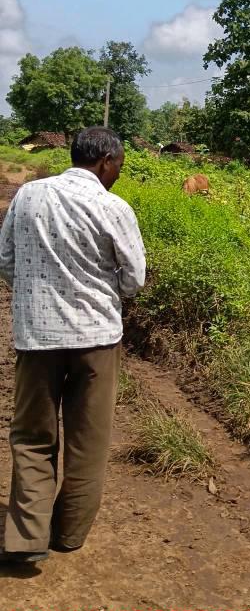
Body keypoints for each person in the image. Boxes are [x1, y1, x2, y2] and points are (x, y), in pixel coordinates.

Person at [0, 126, 146, 565]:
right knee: (88, 441)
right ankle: (69, 534)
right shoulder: (113, 207)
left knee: (32, 437)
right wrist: (102, 290)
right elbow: (134, 280)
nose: (118, 174)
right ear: (105, 162)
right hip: (96, 340)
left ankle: (27, 538)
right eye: (119, 166)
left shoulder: (28, 196)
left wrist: (33, 296)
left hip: (37, 338)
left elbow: (5, 260)